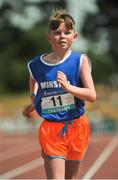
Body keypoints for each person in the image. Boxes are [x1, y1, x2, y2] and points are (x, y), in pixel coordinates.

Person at [23, 9, 96, 179]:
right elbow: (34, 79)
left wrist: (68, 87)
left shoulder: (80, 61)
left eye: (67, 32)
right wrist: (34, 99)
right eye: (57, 33)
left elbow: (92, 95)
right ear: (49, 37)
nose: (62, 36)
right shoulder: (36, 65)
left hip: (77, 126)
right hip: (52, 128)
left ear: (74, 36)